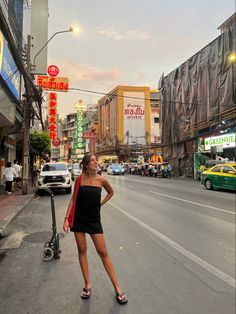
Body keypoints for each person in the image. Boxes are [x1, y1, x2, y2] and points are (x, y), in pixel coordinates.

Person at [63, 153, 128, 305]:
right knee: (82, 249)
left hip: (93, 220)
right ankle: (87, 285)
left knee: (103, 252)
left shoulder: (102, 179)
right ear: (86, 164)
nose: (95, 162)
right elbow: (73, 200)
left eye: (95, 160)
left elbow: (111, 193)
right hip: (79, 218)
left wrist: (101, 203)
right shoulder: (79, 180)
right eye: (92, 160)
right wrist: (66, 219)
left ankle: (117, 288)